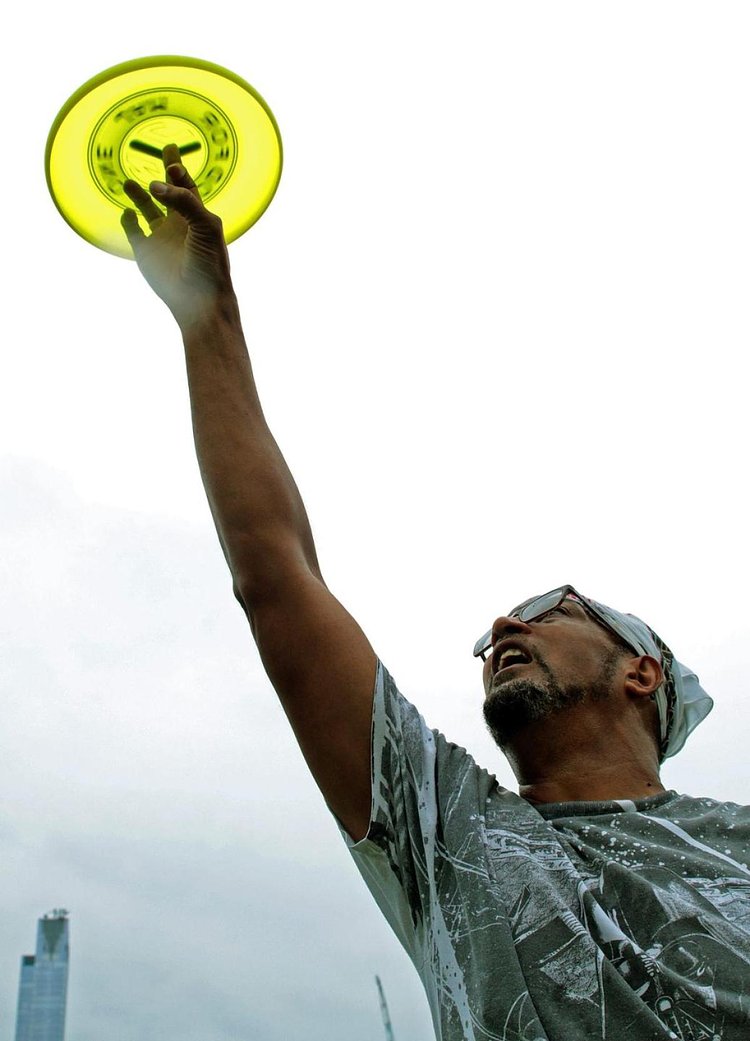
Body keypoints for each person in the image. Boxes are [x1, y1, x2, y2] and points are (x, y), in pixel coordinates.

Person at [120, 147, 750, 1041]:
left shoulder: (736, 844)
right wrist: (206, 314)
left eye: (549, 607)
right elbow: (274, 572)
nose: (502, 624)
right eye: (505, 619)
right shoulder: (446, 836)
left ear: (640, 672)